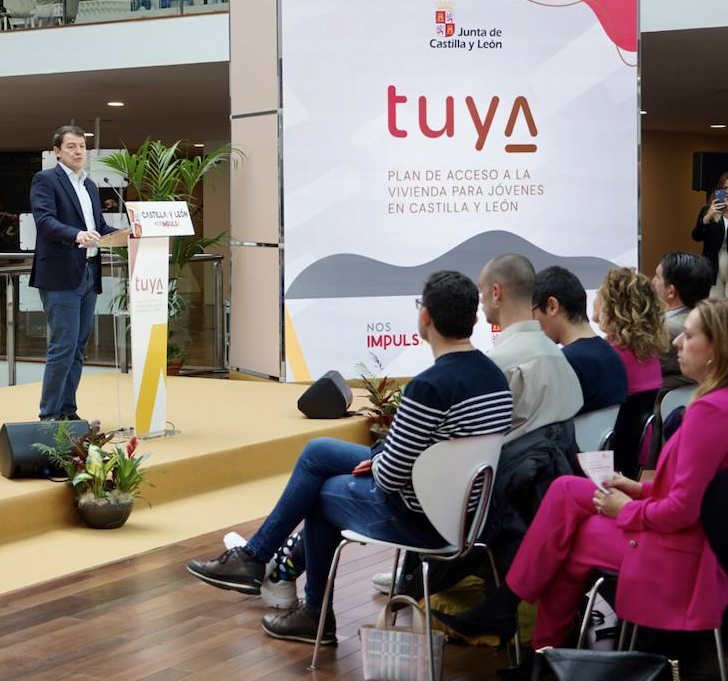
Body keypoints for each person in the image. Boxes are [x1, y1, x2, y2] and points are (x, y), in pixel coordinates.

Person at [184, 271, 513, 645]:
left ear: (425, 318)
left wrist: (383, 460)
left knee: (322, 493)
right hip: (469, 515)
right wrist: (383, 456)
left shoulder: (428, 388)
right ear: (472, 319)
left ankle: (307, 608)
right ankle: (258, 563)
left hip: (423, 518)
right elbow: (438, 450)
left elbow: (389, 480)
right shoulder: (495, 378)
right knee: (319, 451)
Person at [434, 298, 728, 655]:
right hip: (690, 540)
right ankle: (521, 625)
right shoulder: (719, 403)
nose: (675, 343)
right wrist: (638, 488)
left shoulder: (711, 411)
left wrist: (626, 509)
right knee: (563, 489)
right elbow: (697, 490)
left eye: (687, 335)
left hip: (683, 554)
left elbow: (684, 510)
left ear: (717, 349)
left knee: (572, 541)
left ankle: (534, 640)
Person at [29, 125, 116, 421]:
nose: (79, 152)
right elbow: (45, 222)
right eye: (72, 147)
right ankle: (49, 415)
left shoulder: (89, 185)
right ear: (57, 151)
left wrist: (131, 234)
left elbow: (100, 228)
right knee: (63, 346)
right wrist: (77, 235)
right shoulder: (46, 180)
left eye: (82, 147)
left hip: (89, 273)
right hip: (61, 276)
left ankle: (68, 411)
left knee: (78, 348)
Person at [479, 254, 583, 442]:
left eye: (481, 290)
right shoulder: (562, 360)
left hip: (507, 468)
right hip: (562, 467)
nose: (480, 300)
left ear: (496, 292)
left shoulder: (496, 365)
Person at [594, 267, 669, 477]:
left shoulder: (608, 357)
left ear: (611, 306)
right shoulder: (650, 355)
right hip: (632, 461)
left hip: (604, 461)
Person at [531, 266, 626, 413]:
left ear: (552, 306)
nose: (533, 322)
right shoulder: (613, 355)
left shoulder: (564, 363)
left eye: (533, 313)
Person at [652, 251, 715, 390]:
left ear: (671, 291)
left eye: (657, 277)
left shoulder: (666, 330)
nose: (652, 281)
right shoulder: (713, 321)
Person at [692, 171, 728, 299]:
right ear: (718, 191)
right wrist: (707, 218)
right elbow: (696, 236)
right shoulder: (708, 210)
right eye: (724, 188)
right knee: (714, 305)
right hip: (713, 267)